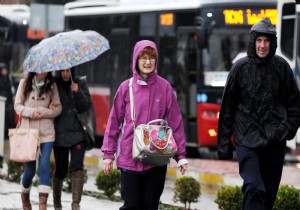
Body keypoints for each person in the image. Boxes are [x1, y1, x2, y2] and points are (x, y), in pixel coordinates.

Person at [217, 18, 300, 210]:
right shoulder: (240, 68)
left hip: (274, 140)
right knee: (254, 187)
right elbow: (227, 108)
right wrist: (224, 145)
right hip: (246, 139)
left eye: (267, 41)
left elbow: (295, 104)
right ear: (253, 42)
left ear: (272, 43)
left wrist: (287, 130)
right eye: (259, 40)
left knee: (269, 193)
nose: (263, 45)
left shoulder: (282, 68)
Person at [101, 40, 188, 210]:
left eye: (151, 58)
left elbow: (175, 123)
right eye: (143, 58)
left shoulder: (165, 88)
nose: (147, 62)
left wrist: (181, 156)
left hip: (157, 157)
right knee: (132, 205)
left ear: (156, 61)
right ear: (136, 60)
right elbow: (113, 123)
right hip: (129, 157)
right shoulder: (126, 88)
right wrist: (108, 154)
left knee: (151, 205)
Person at [14, 71, 62, 210]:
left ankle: (42, 206)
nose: (43, 71)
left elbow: (58, 108)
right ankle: (25, 196)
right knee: (29, 171)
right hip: (29, 133)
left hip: (47, 133)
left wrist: (43, 111)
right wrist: (31, 112)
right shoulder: (24, 83)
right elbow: (18, 105)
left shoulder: (52, 85)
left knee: (44, 166)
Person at [52, 68, 92, 210]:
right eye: (62, 71)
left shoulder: (80, 82)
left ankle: (76, 205)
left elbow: (86, 106)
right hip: (60, 134)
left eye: (68, 71)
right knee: (61, 169)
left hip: (78, 134)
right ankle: (57, 205)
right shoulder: (54, 84)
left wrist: (78, 91)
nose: (65, 74)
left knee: (77, 167)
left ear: (72, 71)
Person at [0, 63, 15, 138]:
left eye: (5, 69)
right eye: (3, 70)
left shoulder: (9, 78)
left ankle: (9, 133)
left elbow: (12, 88)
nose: (4, 71)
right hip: (1, 101)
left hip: (9, 101)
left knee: (10, 117)